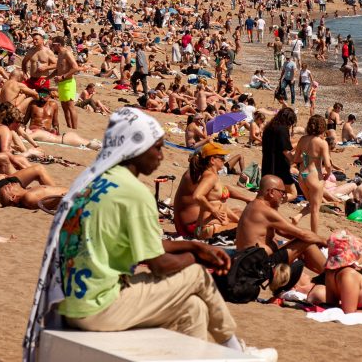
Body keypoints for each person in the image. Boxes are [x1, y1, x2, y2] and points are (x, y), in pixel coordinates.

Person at [22, 108, 274, 361]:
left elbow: (148, 244)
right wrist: (198, 258)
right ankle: (236, 352)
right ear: (136, 148)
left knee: (193, 307)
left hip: (74, 302)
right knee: (197, 275)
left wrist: (196, 247)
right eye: (157, 148)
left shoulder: (98, 181)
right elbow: (160, 265)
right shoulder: (133, 192)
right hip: (99, 307)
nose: (161, 155)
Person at [235, 174, 327, 274]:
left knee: (304, 241)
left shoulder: (256, 205)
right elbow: (302, 234)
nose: (284, 196)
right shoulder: (264, 210)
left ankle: (324, 274)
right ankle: (329, 274)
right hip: (257, 265)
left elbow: (283, 231)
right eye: (282, 192)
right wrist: (325, 241)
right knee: (305, 242)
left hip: (251, 261)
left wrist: (315, 239)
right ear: (271, 192)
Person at [172, 142, 251, 239]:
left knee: (240, 213)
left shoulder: (203, 174)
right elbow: (198, 196)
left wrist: (247, 199)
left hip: (195, 224)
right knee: (247, 225)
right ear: (212, 160)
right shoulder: (199, 175)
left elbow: (224, 189)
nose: (224, 161)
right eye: (222, 158)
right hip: (190, 226)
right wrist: (214, 211)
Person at [293, 114, 333, 233]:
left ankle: (298, 216)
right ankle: (314, 237)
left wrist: (307, 158)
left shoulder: (302, 140)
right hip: (314, 176)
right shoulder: (322, 143)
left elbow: (296, 159)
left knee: (312, 203)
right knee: (315, 209)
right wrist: (328, 173)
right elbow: (328, 164)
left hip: (303, 176)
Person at [261, 108, 297, 196]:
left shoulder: (269, 127)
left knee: (268, 192)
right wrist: (295, 160)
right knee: (292, 193)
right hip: (280, 167)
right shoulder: (282, 129)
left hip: (267, 164)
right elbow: (285, 150)